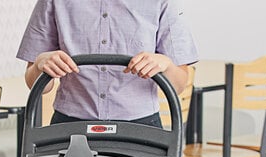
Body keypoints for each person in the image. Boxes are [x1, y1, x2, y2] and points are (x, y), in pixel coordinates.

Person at [16, 0, 198, 127]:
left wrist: (165, 64)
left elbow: (179, 84)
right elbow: (35, 83)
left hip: (140, 127)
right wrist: (41, 64)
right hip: (70, 125)